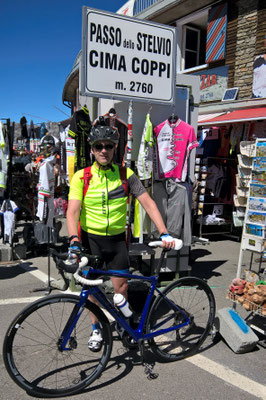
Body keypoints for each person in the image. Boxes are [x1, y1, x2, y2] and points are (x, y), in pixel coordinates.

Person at [67, 125, 175, 351]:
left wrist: (163, 231)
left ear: (115, 147)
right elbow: (73, 210)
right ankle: (96, 329)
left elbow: (148, 203)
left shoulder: (126, 174)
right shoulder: (82, 176)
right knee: (91, 293)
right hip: (90, 241)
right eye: (99, 146)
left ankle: (125, 323)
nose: (103, 150)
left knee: (121, 288)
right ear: (92, 149)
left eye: (108, 146)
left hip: (116, 242)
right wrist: (73, 239)